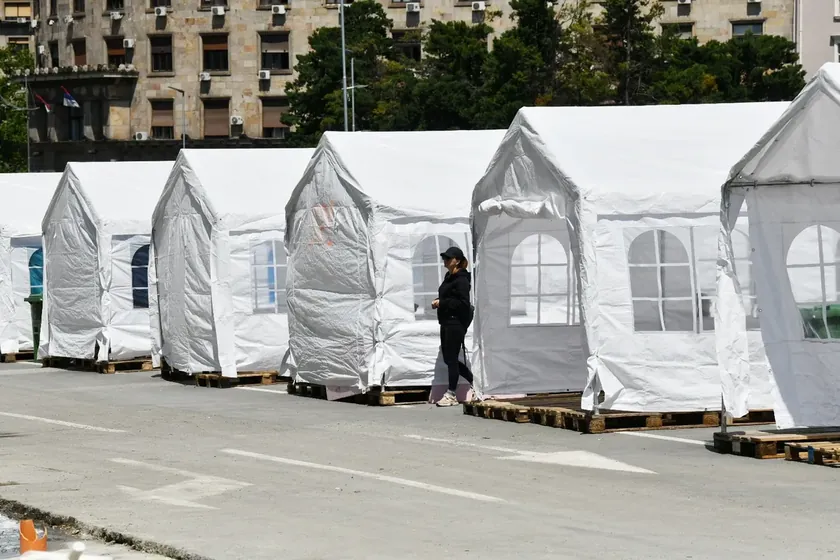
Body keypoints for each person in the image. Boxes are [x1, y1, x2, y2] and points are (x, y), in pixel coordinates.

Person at [432, 246, 474, 407]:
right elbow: (449, 297)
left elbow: (463, 303)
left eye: (448, 258)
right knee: (449, 358)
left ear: (456, 261)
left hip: (455, 323)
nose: (445, 260)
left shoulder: (462, 280)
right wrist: (439, 301)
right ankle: (473, 381)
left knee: (451, 358)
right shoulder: (449, 277)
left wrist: (442, 303)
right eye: (444, 258)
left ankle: (451, 393)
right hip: (446, 321)